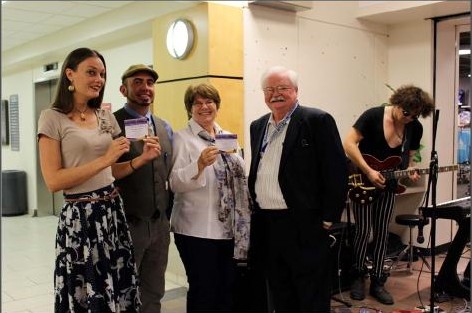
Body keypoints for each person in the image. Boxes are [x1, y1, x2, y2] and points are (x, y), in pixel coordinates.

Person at [37, 47, 160, 313]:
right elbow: (53, 180)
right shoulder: (52, 118)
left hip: (112, 214)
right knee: (87, 294)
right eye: (91, 72)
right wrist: (104, 160)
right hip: (81, 219)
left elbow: (111, 172)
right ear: (70, 74)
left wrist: (141, 159)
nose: (99, 79)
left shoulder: (104, 117)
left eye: (102, 74)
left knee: (117, 289)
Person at [248, 66, 348, 312]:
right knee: (280, 289)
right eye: (269, 89)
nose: (275, 94)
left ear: (295, 91)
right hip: (267, 223)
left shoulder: (317, 120)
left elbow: (336, 171)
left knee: (310, 292)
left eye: (282, 88)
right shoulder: (258, 126)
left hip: (304, 223)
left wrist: (328, 219)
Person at [343, 84, 435, 305]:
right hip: (362, 182)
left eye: (414, 116)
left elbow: (410, 158)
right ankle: (358, 276)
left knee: (382, 231)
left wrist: (411, 168)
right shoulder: (373, 116)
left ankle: (378, 281)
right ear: (397, 102)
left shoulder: (415, 127)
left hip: (389, 185)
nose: (408, 118)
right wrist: (368, 170)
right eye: (406, 113)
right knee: (364, 231)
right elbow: (348, 143)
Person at [169, 83, 251, 312]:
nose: (204, 107)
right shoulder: (181, 139)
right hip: (196, 231)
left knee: (226, 290)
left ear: (217, 105)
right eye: (198, 103)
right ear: (190, 108)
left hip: (228, 230)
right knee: (203, 290)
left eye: (209, 102)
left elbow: (241, 176)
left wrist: (235, 160)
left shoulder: (226, 136)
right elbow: (174, 183)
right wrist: (199, 165)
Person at [113, 64, 174, 313]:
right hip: (127, 224)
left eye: (149, 82)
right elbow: (105, 172)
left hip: (159, 226)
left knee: (154, 290)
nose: (145, 88)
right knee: (123, 290)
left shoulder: (164, 127)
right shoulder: (111, 125)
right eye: (137, 82)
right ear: (123, 88)